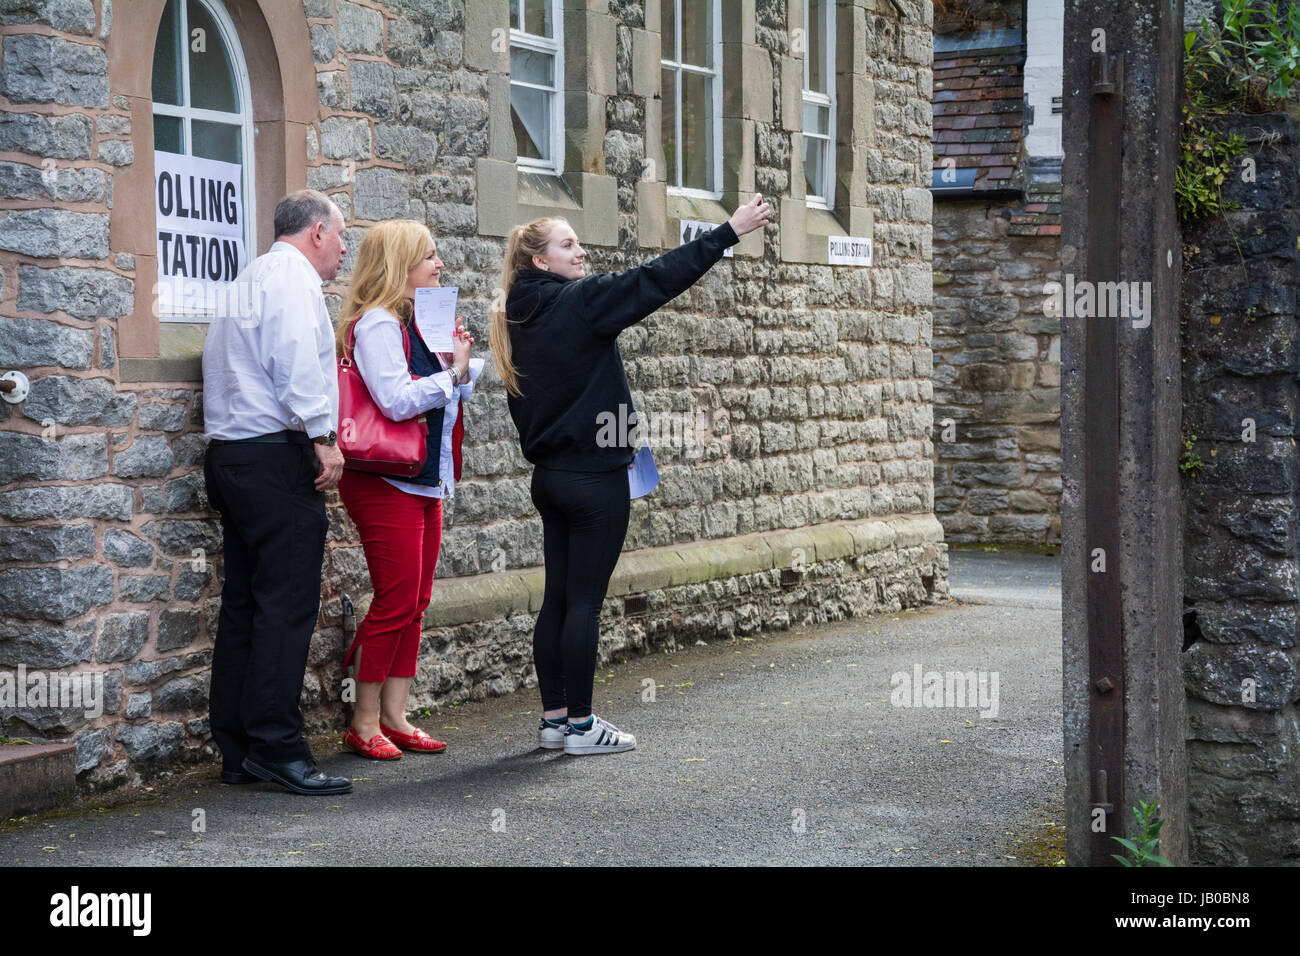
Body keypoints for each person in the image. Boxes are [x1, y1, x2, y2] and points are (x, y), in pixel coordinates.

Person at [489, 193, 772, 755]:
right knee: (583, 604)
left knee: (558, 600)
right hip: (594, 480)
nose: (582, 252)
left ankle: (554, 721)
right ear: (540, 260)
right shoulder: (578, 303)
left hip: (549, 478)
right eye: (568, 244)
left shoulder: (513, 313)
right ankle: (582, 727)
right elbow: (654, 279)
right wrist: (727, 232)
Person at [202, 189, 352, 796]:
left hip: (232, 457)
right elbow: (295, 364)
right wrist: (323, 436)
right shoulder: (292, 281)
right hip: (274, 459)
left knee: (245, 605)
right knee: (286, 606)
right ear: (316, 232)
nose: (345, 249)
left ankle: (238, 749)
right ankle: (277, 746)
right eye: (341, 236)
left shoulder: (250, 277)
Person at [335, 220, 483, 759]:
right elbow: (397, 400)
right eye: (429, 256)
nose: (439, 264)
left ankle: (396, 715)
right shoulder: (376, 324)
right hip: (383, 478)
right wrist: (452, 375)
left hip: (421, 476)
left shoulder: (418, 321)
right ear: (400, 265)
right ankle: (364, 720)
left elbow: (449, 388)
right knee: (395, 600)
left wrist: (458, 365)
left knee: (416, 601)